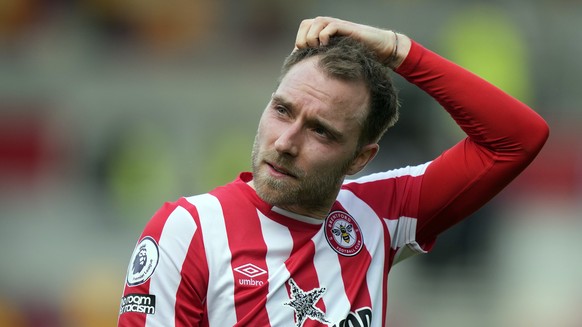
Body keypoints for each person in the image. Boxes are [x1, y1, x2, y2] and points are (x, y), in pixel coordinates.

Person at [117, 17, 549, 327]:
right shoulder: (189, 230)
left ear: (361, 157)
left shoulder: (380, 215)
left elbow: (516, 139)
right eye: (282, 110)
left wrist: (402, 52)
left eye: (320, 132)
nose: (286, 141)